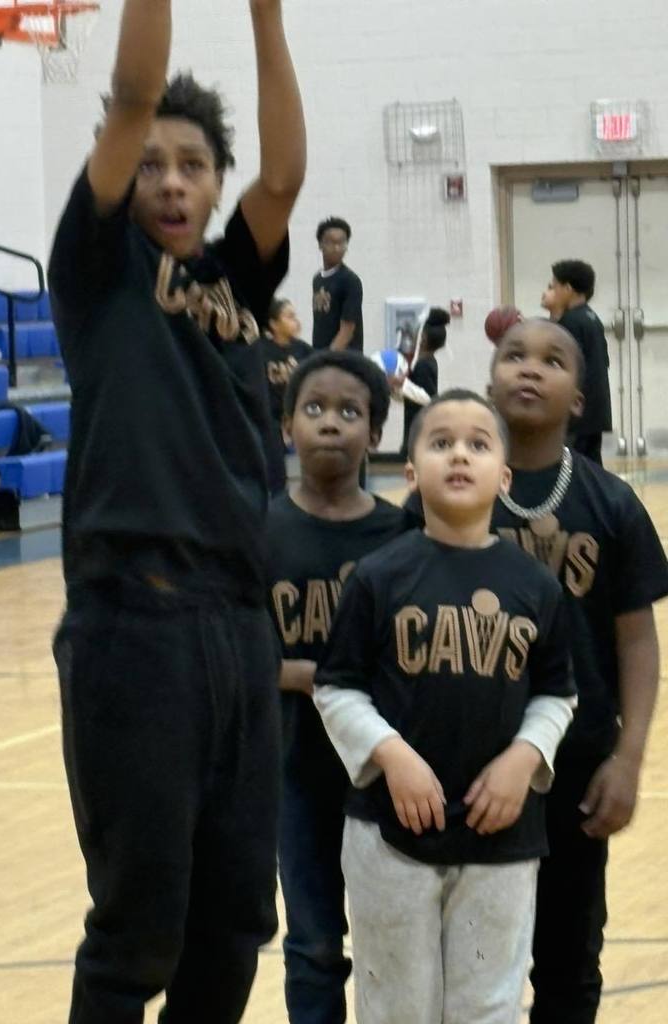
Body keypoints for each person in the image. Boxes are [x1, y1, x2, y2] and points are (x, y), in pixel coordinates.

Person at [47, 1, 306, 1021]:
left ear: (213, 180)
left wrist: (267, 13)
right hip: (133, 628)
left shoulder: (236, 275)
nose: (169, 180)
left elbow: (282, 175)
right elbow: (133, 98)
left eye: (192, 165)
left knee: (235, 920)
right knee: (137, 926)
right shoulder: (98, 270)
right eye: (150, 163)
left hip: (240, 629)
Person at [315, 389, 577, 1024]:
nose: (459, 455)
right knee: (395, 1008)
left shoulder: (536, 585)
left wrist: (524, 758)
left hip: (503, 836)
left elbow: (557, 693)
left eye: (478, 445)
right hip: (388, 834)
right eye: (441, 443)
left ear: (504, 477)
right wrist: (392, 755)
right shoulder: (378, 577)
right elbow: (336, 687)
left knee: (488, 1007)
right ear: (410, 474)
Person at [486, 318, 668, 1023]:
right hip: (467, 767)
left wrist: (628, 759)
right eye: (514, 356)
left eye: (552, 360)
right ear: (491, 379)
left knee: (567, 958)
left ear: (581, 399)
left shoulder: (611, 503)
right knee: (474, 957)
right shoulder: (447, 495)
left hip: (577, 765)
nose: (530, 369)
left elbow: (638, 644)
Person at [266, 350, 410, 1024]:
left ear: (376, 435)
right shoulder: (260, 530)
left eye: (350, 412)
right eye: (314, 409)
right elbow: (235, 652)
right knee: (314, 943)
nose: (330, 424)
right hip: (292, 773)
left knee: (397, 943)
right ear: (286, 425)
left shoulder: (401, 533)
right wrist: (299, 674)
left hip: (384, 776)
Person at [541, 260, 612, 465]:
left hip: (578, 413)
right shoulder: (591, 317)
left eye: (554, 286)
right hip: (596, 410)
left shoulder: (570, 321)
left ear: (567, 288)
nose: (551, 291)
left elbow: (563, 366)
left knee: (570, 468)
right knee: (592, 467)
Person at [259, 297, 311, 474]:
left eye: (295, 316)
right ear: (273, 324)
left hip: (298, 417)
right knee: (275, 473)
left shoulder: (303, 350)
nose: (295, 321)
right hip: (271, 421)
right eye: (289, 317)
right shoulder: (261, 351)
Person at [398, 307, 450, 455]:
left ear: (423, 339)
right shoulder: (426, 362)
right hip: (416, 431)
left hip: (419, 433)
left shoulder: (424, 365)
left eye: (416, 333)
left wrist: (401, 383)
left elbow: (427, 398)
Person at [312, 217, 364, 352]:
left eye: (341, 243)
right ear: (320, 244)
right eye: (331, 242)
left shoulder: (350, 281)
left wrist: (328, 358)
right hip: (321, 354)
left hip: (344, 359)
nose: (336, 248)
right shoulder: (317, 280)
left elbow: (347, 330)